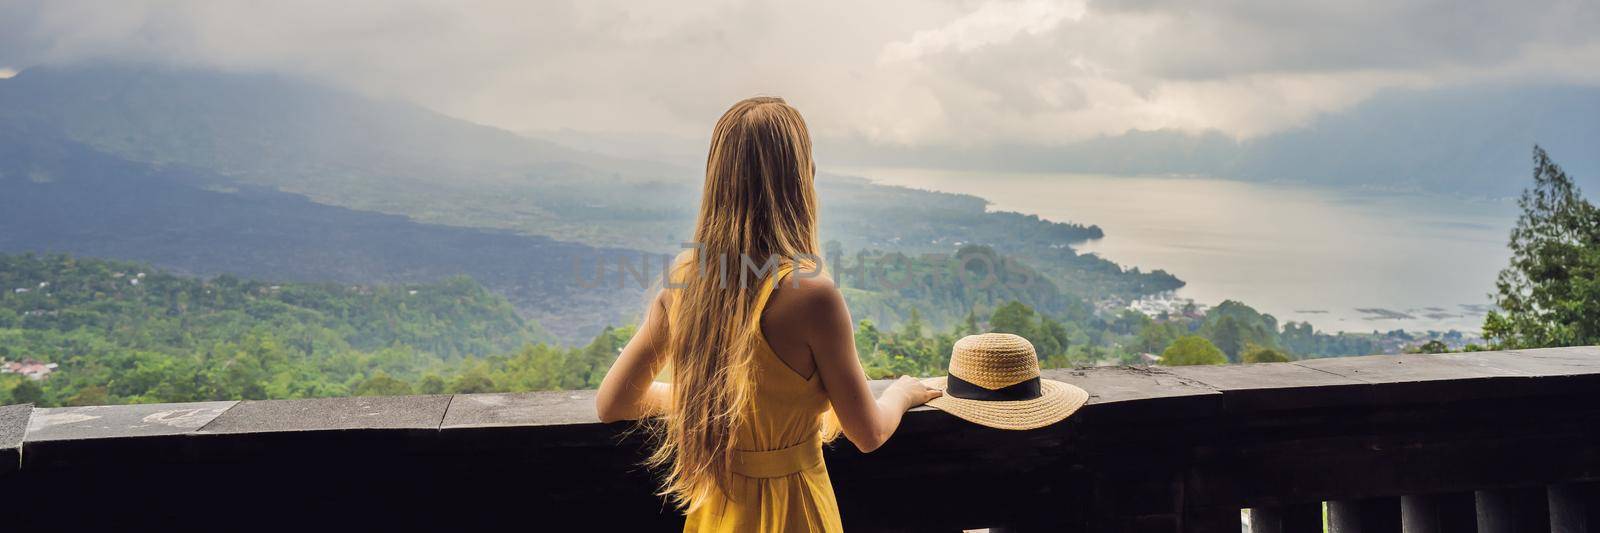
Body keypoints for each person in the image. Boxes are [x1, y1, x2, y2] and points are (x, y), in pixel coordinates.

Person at [595, 96, 942, 532]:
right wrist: (903, 394)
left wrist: (712, 399)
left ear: (717, 180)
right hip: (796, 510)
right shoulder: (812, 296)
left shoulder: (685, 284)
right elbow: (868, 433)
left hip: (717, 513)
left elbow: (613, 403)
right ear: (802, 179)